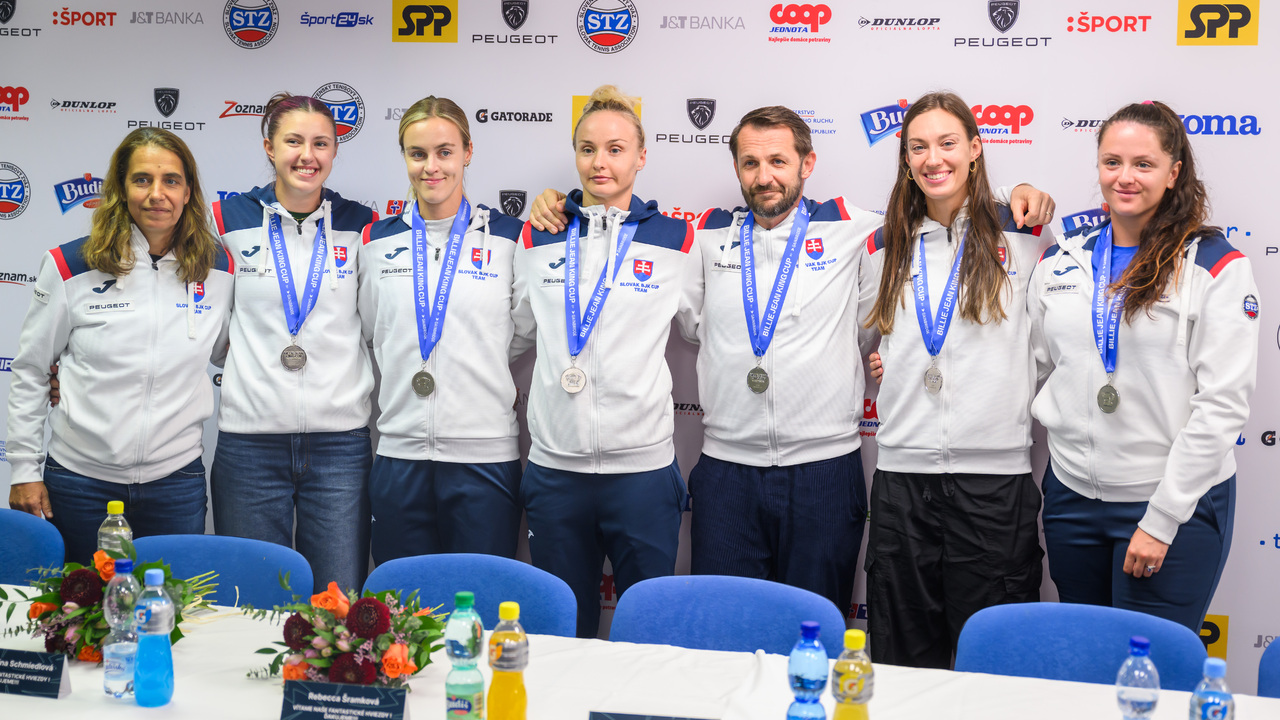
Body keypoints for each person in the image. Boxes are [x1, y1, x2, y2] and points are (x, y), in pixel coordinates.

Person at [530, 105, 1054, 621]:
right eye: (751, 164)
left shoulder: (855, 228)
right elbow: (667, 300)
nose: (765, 177)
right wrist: (557, 203)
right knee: (728, 637)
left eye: (779, 162)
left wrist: (1014, 195)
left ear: (808, 164)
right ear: (736, 169)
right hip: (727, 471)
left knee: (816, 633)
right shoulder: (702, 239)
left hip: (825, 471)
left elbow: (937, 204)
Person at [1028, 101, 1257, 633]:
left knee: (1150, 680)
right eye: (1112, 162)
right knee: (1085, 667)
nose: (1124, 177)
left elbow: (1221, 407)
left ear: (1174, 173)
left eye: (1143, 164)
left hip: (1171, 505)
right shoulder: (1061, 260)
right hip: (1071, 499)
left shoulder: (1215, 266)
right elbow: (1033, 364)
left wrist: (1161, 520)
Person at [860, 92, 1052, 668]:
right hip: (902, 482)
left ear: (974, 149)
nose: (932, 158)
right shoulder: (882, 243)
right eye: (918, 146)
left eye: (947, 143)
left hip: (994, 484)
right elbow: (868, 340)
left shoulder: (1023, 232)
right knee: (901, 662)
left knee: (992, 666)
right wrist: (890, 364)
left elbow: (1051, 342)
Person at [512, 85, 702, 638]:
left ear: (642, 156)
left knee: (649, 633)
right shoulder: (538, 235)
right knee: (561, 634)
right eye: (588, 148)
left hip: (642, 474)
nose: (601, 162)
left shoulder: (677, 240)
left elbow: (713, 331)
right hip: (555, 472)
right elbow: (513, 332)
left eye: (616, 148)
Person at [5, 128, 234, 564]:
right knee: (77, 618)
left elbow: (231, 352)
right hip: (80, 481)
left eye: (171, 180)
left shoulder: (218, 269)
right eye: (142, 179)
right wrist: (23, 470)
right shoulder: (70, 265)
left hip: (175, 481)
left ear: (188, 192)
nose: (157, 194)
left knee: (170, 613)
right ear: (120, 190)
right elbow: (33, 370)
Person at [211, 93, 377, 594]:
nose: (308, 155)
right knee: (252, 600)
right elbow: (201, 319)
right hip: (249, 447)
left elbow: (375, 323)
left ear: (334, 150)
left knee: (337, 602)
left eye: (321, 143)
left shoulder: (363, 225)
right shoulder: (226, 220)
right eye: (294, 141)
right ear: (269, 146)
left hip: (340, 447)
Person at [357, 96, 526, 564]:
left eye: (445, 152)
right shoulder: (376, 241)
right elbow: (375, 330)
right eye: (418, 154)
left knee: (482, 608)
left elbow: (521, 332)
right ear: (405, 156)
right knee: (402, 612)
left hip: (484, 456)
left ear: (468, 152)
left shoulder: (511, 239)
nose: (431, 167)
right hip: (399, 453)